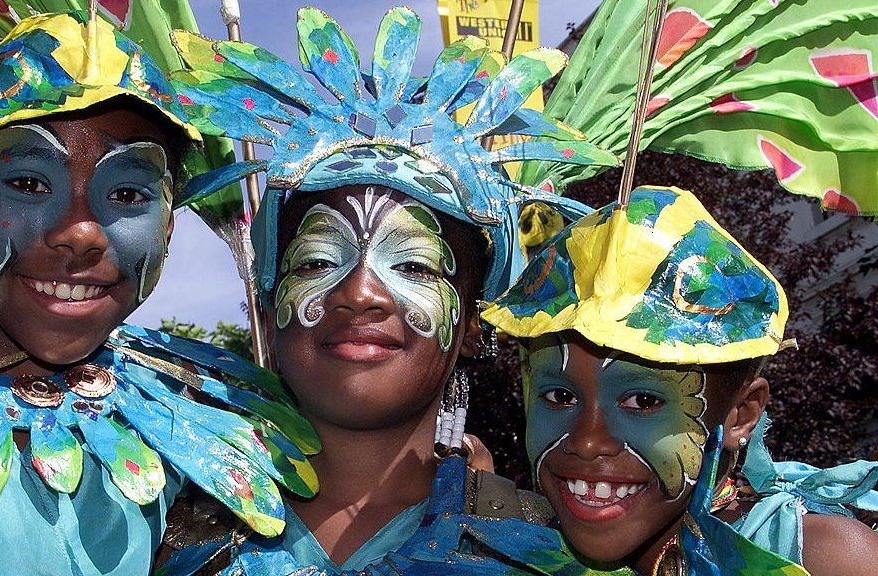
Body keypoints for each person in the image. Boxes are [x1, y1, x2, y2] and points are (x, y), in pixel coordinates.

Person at [159, 6, 622, 575]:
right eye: (319, 260)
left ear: (475, 324)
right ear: (267, 299)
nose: (359, 293)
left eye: (415, 268)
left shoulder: (549, 550)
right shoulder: (155, 530)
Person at [0, 5, 316, 575]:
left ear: (169, 221)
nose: (80, 233)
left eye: (127, 196)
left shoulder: (210, 437)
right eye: (28, 183)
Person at [483, 185, 878, 575]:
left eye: (642, 401)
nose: (587, 442)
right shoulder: (510, 552)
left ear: (741, 414)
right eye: (558, 395)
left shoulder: (824, 558)